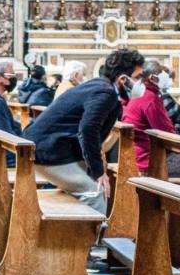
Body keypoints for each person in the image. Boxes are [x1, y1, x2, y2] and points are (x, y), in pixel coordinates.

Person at [24, 48, 144, 214]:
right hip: (47, 152)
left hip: (44, 147)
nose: (140, 83)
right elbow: (88, 130)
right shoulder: (105, 92)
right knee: (96, 194)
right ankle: (96, 232)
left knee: (88, 183)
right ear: (123, 79)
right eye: (137, 77)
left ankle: (74, 230)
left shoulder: (99, 85)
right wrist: (99, 172)